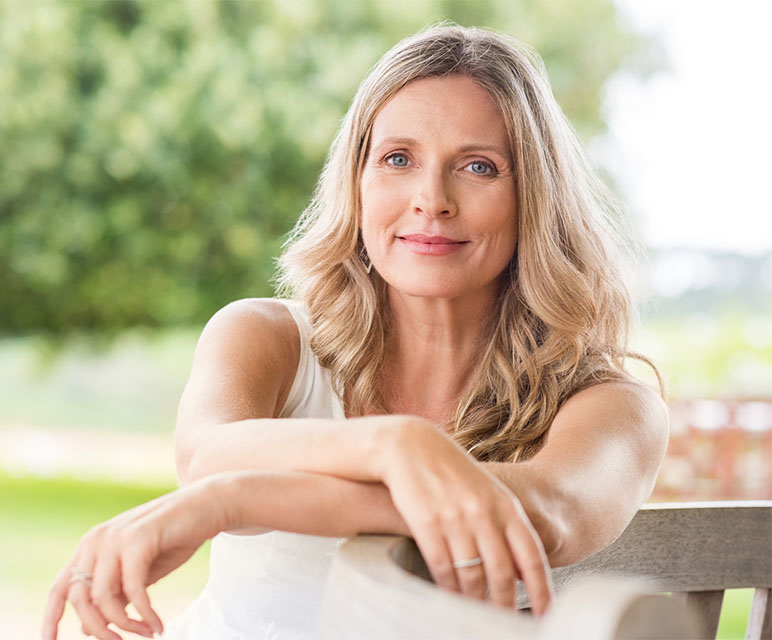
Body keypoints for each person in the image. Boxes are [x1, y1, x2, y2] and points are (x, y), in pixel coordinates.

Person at [42, 23, 668, 640]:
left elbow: (548, 513)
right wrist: (392, 447)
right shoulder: (264, 337)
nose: (431, 199)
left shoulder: (615, 404)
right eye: (397, 158)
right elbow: (207, 456)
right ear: (357, 181)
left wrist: (231, 502)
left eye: (478, 166)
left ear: (535, 196)